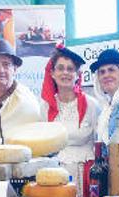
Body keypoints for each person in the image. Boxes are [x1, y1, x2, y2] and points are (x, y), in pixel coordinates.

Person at [39, 44, 100, 186]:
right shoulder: (45, 107)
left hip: (84, 175)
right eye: (60, 68)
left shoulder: (92, 105)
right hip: (53, 176)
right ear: (52, 73)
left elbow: (100, 144)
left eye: (70, 69)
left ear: (78, 75)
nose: (65, 73)